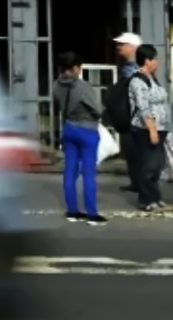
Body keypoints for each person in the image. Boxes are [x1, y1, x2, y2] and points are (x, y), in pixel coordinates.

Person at [52, 50, 105, 225]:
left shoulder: (56, 85)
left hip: (68, 128)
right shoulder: (82, 86)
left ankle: (72, 211)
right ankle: (92, 213)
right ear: (75, 68)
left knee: (70, 171)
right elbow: (97, 109)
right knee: (88, 173)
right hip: (87, 130)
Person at [128, 43, 171, 213]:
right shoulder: (138, 81)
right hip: (146, 129)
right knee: (148, 164)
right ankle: (145, 199)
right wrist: (152, 129)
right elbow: (143, 107)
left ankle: (155, 196)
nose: (157, 62)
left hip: (161, 127)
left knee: (158, 164)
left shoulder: (153, 78)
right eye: (155, 59)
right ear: (146, 60)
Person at [104, 32, 142, 192]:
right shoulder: (125, 67)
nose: (119, 48)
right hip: (127, 118)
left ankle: (143, 185)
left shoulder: (135, 69)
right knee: (130, 151)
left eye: (122, 45)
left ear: (132, 48)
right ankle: (136, 182)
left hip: (136, 117)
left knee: (137, 151)